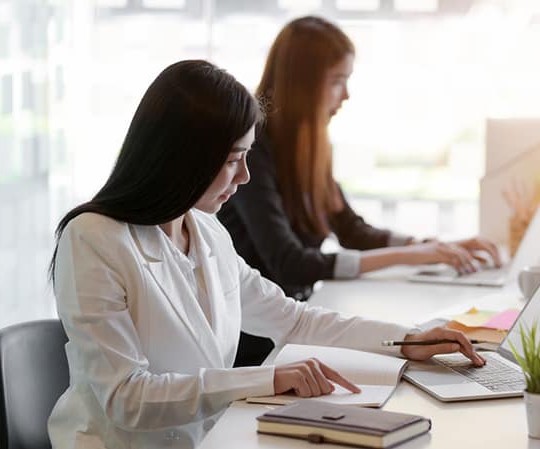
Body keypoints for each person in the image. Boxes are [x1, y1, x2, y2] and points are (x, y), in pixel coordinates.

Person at [47, 60, 484, 449]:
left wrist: (405, 340)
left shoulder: (205, 231)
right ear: (183, 157)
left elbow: (292, 318)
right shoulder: (92, 239)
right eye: (233, 158)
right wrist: (267, 378)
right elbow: (127, 398)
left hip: (212, 436)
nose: (245, 176)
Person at [217, 16, 501, 364]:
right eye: (338, 81)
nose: (347, 95)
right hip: (259, 339)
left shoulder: (310, 144)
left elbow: (350, 229)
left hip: (300, 319)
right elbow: (289, 262)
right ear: (302, 83)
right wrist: (411, 256)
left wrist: (429, 246)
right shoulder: (255, 150)